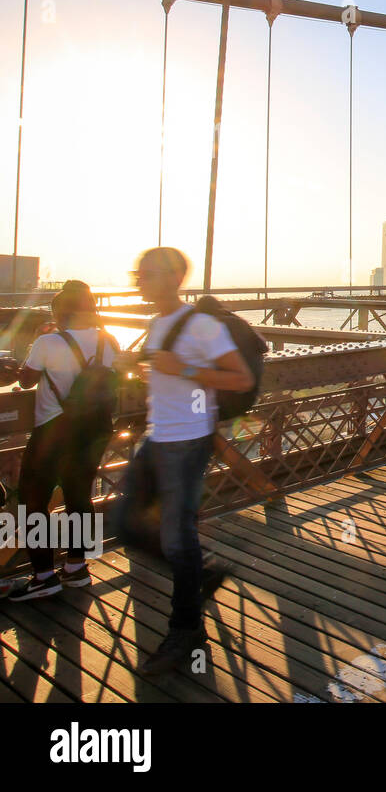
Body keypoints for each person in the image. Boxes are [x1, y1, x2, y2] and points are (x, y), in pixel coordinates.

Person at [111, 247, 254, 676]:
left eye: (147, 274)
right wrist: (134, 366)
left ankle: (186, 629)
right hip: (159, 437)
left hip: (188, 442)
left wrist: (185, 370)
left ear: (174, 278)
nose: (139, 280)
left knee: (176, 538)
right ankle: (202, 576)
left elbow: (240, 378)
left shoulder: (203, 326)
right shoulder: (158, 323)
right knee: (124, 523)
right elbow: (167, 375)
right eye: (137, 273)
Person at [0, 285, 116, 601]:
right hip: (94, 430)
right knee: (80, 496)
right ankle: (77, 568)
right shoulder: (109, 340)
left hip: (54, 430)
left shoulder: (49, 341)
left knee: (33, 501)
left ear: (60, 312)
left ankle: (43, 575)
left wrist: (37, 345)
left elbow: (25, 380)